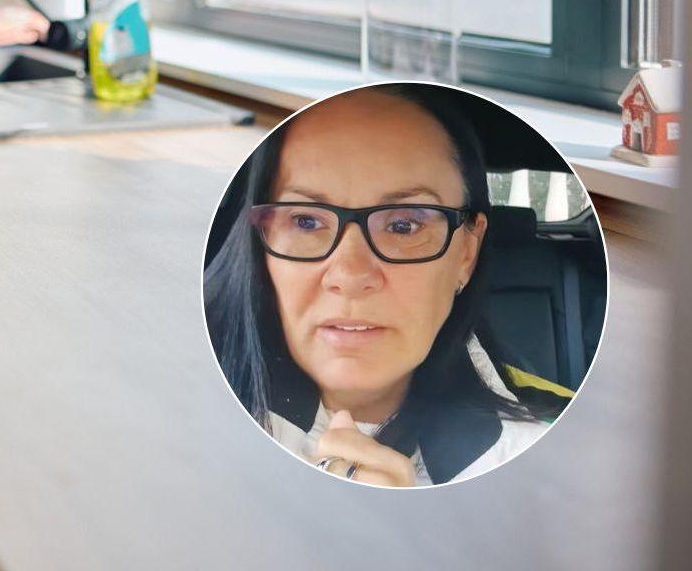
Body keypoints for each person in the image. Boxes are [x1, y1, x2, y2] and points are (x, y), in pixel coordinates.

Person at [203, 84, 573, 487]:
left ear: (467, 251)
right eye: (306, 221)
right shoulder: (178, 404)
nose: (349, 275)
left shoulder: (557, 451)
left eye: (403, 225)